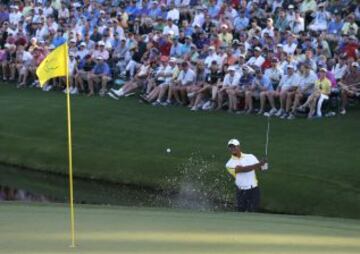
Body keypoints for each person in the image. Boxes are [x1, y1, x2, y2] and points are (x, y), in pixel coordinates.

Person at [225, 139, 267, 212]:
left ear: (238, 146)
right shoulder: (229, 164)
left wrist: (265, 163)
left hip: (254, 190)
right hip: (241, 192)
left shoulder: (250, 156)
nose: (232, 149)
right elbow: (243, 169)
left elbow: (262, 169)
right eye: (230, 147)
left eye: (234, 147)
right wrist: (259, 164)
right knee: (241, 213)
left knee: (253, 212)